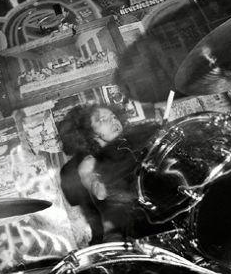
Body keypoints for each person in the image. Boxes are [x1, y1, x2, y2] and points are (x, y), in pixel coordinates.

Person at [59, 104, 161, 242]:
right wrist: (96, 180)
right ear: (89, 132)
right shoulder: (89, 163)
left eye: (114, 116)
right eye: (102, 119)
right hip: (127, 235)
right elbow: (100, 193)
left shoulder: (130, 149)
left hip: (155, 219)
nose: (113, 120)